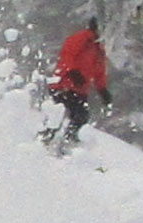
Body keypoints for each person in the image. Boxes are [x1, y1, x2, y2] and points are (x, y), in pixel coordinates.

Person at [45, 17, 112, 147]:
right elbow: (67, 54)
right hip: (63, 84)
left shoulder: (98, 48)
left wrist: (102, 90)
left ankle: (66, 143)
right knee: (61, 114)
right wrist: (72, 71)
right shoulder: (82, 38)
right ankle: (49, 140)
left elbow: (99, 71)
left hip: (79, 88)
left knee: (80, 117)